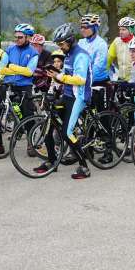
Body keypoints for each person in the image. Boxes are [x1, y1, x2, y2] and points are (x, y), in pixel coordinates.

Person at [34, 23, 92, 179]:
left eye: (62, 44)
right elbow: (63, 75)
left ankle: (84, 167)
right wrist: (53, 76)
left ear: (71, 40)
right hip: (67, 94)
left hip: (79, 96)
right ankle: (52, 161)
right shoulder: (69, 55)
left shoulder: (81, 55)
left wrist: (60, 77)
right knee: (49, 122)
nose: (60, 47)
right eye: (58, 44)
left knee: (67, 132)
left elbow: (80, 80)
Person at [0, 23, 39, 155]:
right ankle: (2, 142)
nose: (17, 39)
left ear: (28, 38)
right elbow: (3, 68)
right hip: (10, 84)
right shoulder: (10, 49)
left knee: (27, 114)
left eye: (20, 37)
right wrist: (12, 71)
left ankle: (30, 144)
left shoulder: (33, 53)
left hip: (25, 87)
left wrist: (13, 67)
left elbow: (29, 72)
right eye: (16, 37)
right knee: (2, 110)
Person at [107, 17, 135, 82]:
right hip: (121, 79)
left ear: (131, 30)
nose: (120, 32)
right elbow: (108, 59)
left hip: (134, 80)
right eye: (120, 29)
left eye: (123, 29)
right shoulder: (116, 41)